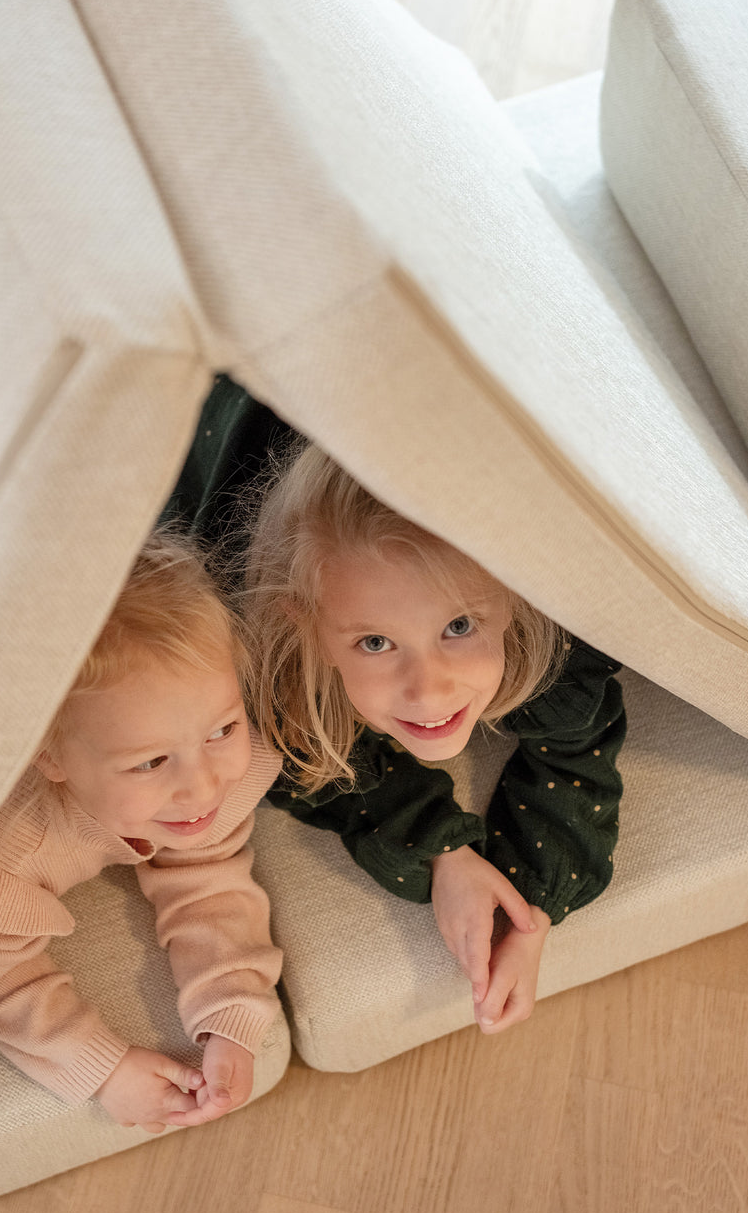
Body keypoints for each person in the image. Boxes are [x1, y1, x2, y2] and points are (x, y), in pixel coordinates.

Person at [170, 376, 625, 1036]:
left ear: (514, 601)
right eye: (376, 642)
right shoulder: (275, 654)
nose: (428, 690)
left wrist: (531, 910)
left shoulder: (547, 639)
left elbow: (581, 754)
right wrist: (444, 853)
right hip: (244, 410)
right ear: (312, 630)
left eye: (459, 628)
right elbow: (313, 764)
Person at [0, 530, 283, 1133]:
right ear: (48, 758)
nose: (203, 787)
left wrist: (231, 1016)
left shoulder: (225, 776)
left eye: (222, 729)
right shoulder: (3, 856)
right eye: (149, 762)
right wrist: (102, 1068)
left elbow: (207, 875)